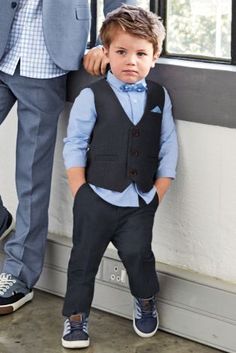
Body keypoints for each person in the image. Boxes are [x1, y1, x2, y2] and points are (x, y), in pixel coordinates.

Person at [0, 0, 136, 315]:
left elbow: (122, 3)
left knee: (31, 172)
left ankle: (20, 272)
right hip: (4, 39)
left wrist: (109, 45)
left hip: (45, 58)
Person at [61, 4, 178, 349]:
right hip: (95, 197)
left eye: (141, 53)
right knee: (83, 260)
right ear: (106, 53)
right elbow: (75, 143)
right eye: (122, 52)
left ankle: (145, 300)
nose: (131, 60)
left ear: (154, 56)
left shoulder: (159, 96)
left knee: (140, 257)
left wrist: (160, 189)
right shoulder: (91, 96)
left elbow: (168, 143)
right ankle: (76, 317)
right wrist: (80, 190)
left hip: (140, 200)